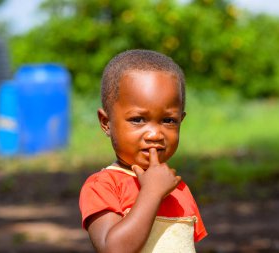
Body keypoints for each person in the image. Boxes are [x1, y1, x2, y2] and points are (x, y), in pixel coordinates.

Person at [79, 49, 207, 253]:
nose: (155, 134)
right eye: (138, 120)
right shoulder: (103, 186)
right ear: (106, 123)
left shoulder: (178, 188)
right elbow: (113, 249)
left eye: (168, 120)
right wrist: (151, 193)